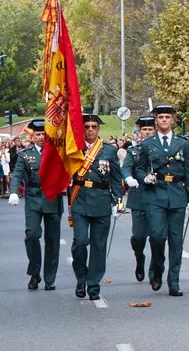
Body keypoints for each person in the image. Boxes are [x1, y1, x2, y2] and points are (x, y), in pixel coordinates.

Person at [135, 105, 189, 297]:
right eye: (160, 117)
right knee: (157, 236)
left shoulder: (183, 143)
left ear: (172, 120)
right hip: (155, 193)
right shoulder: (148, 144)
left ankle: (174, 281)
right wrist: (145, 177)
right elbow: (139, 169)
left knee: (176, 240)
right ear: (156, 120)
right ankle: (157, 266)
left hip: (177, 193)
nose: (163, 120)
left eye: (167, 117)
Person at [69, 114, 122, 301]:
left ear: (98, 129)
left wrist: (118, 202)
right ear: (82, 129)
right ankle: (81, 278)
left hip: (102, 201)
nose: (90, 130)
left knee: (99, 246)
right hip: (80, 200)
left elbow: (116, 178)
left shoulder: (109, 150)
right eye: (87, 127)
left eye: (94, 127)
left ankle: (93, 284)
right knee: (80, 242)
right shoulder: (74, 148)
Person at [8, 120, 63, 290]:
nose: (41, 137)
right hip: (34, 198)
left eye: (43, 135)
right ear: (32, 136)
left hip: (52, 198)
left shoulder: (57, 153)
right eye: (38, 134)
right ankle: (34, 272)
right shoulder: (25, 155)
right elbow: (17, 174)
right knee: (31, 235)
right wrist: (14, 191)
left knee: (52, 240)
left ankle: (50, 278)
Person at [122, 116, 155, 282]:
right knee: (138, 237)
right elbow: (126, 167)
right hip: (139, 197)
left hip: (157, 196)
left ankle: (155, 270)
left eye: (150, 129)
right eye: (144, 129)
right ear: (139, 131)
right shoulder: (133, 151)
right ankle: (139, 258)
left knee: (157, 237)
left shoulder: (161, 149)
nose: (147, 132)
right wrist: (128, 178)